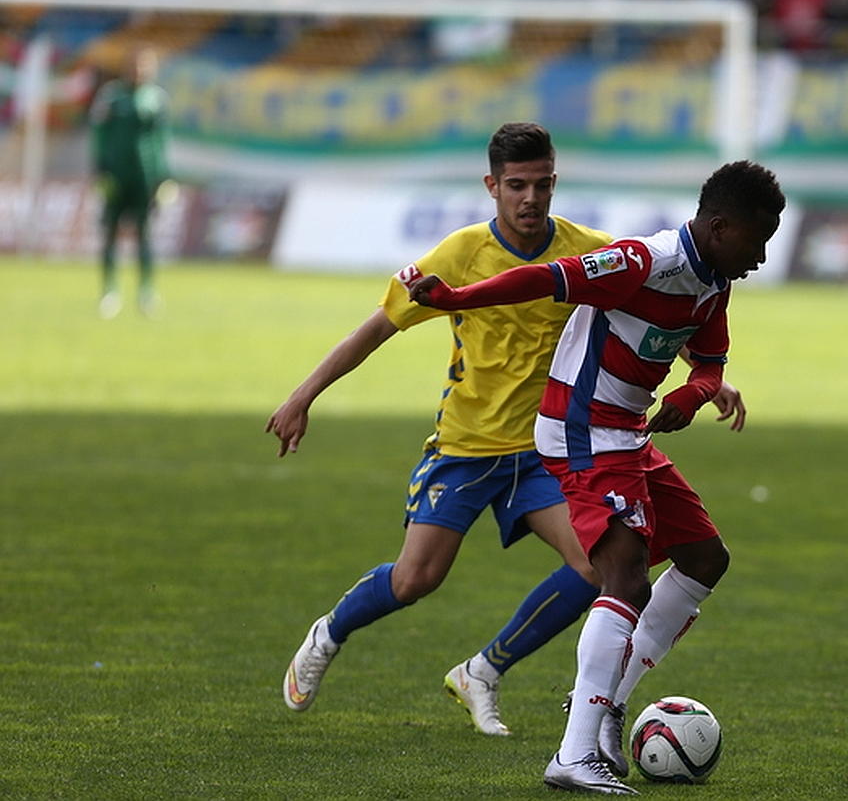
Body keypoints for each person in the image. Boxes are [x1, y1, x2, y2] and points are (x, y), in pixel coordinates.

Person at [267, 123, 747, 737]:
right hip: (465, 447)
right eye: (516, 185)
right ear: (492, 186)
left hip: (549, 449)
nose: (530, 198)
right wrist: (303, 396)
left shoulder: (589, 247)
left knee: (601, 570)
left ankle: (484, 671)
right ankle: (330, 631)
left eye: (542, 184)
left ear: (555, 183)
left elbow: (649, 310)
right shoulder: (458, 255)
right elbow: (377, 328)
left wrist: (708, 379)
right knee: (417, 579)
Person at [406, 159, 785, 793]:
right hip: (581, 429)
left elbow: (712, 363)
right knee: (624, 576)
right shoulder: (642, 260)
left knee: (703, 558)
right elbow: (539, 279)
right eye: (758, 240)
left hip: (625, 432)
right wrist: (454, 299)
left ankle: (606, 710)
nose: (763, 258)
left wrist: (696, 394)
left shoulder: (714, 279)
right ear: (720, 226)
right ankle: (574, 754)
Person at [90, 46, 170, 318]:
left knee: (145, 235)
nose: (139, 70)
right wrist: (101, 168)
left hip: (145, 177)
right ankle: (109, 291)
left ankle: (146, 292)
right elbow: (99, 134)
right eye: (136, 64)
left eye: (145, 65)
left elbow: (161, 141)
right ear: (127, 66)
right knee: (110, 233)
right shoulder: (112, 97)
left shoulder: (156, 99)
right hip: (116, 175)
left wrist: (164, 175)